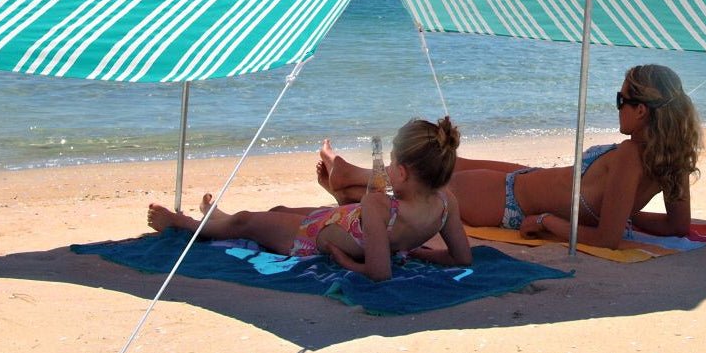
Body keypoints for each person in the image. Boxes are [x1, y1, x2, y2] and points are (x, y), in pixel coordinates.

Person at [317, 65, 702, 250]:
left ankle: (349, 181)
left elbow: (607, 239)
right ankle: (349, 178)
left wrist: (549, 222)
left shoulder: (631, 155)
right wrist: (624, 211)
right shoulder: (672, 157)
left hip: (511, 200)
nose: (617, 106)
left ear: (642, 111)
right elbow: (677, 226)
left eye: (622, 100)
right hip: (526, 179)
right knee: (454, 162)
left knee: (423, 185)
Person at [147, 117, 473, 281]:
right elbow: (461, 259)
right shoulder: (446, 203)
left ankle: (185, 222)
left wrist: (341, 260)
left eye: (390, 162)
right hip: (337, 222)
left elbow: (378, 273)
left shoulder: (379, 206)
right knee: (277, 211)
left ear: (401, 173)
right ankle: (218, 217)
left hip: (313, 236)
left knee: (247, 222)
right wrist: (419, 253)